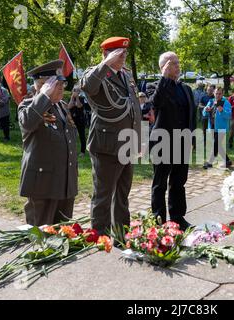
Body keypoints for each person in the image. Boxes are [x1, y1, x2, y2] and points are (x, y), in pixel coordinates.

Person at [80, 37, 141, 238]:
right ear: (106, 54)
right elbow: (88, 87)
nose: (124, 57)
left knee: (123, 194)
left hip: (127, 144)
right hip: (106, 146)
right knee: (103, 196)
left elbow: (134, 108)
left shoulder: (126, 75)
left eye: (125, 53)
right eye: (119, 53)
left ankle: (121, 235)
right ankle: (100, 237)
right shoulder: (95, 73)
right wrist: (104, 64)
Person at [18, 59, 78, 226]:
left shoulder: (62, 106)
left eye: (62, 82)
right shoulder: (28, 105)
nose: (62, 86)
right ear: (42, 85)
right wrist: (43, 95)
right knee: (42, 235)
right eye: (56, 83)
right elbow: (28, 123)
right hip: (43, 185)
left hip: (65, 181)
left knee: (64, 233)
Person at [150, 51, 196, 231]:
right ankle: (159, 219)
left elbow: (192, 115)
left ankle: (177, 217)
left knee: (178, 181)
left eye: (178, 63)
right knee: (160, 182)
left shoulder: (186, 89)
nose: (177, 66)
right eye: (173, 63)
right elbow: (156, 103)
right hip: (162, 141)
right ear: (163, 67)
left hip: (182, 141)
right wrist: (164, 77)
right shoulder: (154, 86)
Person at [203, 86, 232, 169]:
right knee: (219, 145)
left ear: (222, 94)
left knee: (216, 144)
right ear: (214, 93)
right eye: (216, 93)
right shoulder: (211, 101)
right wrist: (206, 109)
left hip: (221, 128)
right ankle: (227, 161)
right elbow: (204, 113)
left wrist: (222, 111)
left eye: (219, 94)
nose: (218, 95)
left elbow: (229, 116)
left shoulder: (226, 102)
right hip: (212, 127)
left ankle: (210, 162)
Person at [67, 86, 87, 156]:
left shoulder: (82, 98)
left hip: (80, 119)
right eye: (74, 90)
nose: (75, 92)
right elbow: (69, 106)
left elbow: (79, 105)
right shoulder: (70, 98)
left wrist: (77, 97)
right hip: (72, 119)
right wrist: (72, 97)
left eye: (77, 90)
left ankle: (82, 152)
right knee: (71, 135)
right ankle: (72, 151)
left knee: (82, 136)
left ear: (79, 92)